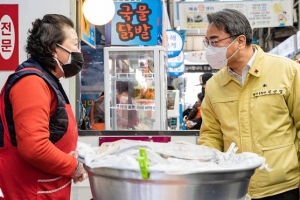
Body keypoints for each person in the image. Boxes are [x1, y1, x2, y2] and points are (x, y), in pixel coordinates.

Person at [197, 8, 300, 200]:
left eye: (214, 41)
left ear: (240, 41)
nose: (209, 49)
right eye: (207, 42)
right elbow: (211, 133)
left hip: (282, 188)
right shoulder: (214, 85)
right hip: (235, 188)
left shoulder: (288, 71)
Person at [0, 14, 87, 199]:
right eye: (74, 44)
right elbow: (34, 147)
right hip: (31, 191)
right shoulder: (31, 82)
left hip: (47, 187)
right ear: (54, 49)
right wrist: (74, 167)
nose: (79, 52)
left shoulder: (48, 80)